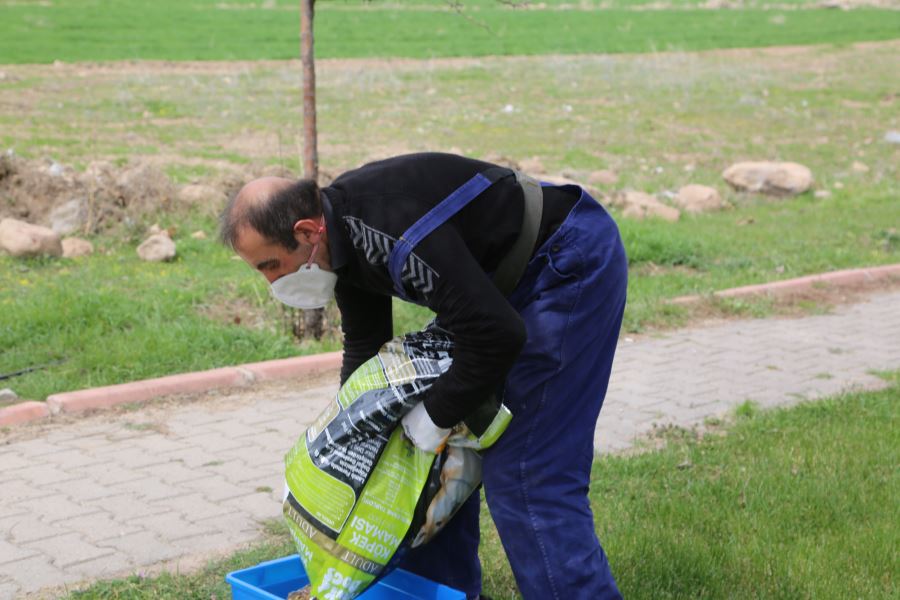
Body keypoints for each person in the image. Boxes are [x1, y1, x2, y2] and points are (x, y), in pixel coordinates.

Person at [220, 152, 628, 600]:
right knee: (420, 465)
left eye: (270, 266)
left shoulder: (393, 233)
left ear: (305, 233)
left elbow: (497, 335)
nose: (271, 282)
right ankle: (441, 593)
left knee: (526, 472)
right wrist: (354, 436)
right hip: (490, 290)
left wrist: (434, 415)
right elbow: (364, 345)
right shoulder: (339, 240)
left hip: (564, 259)